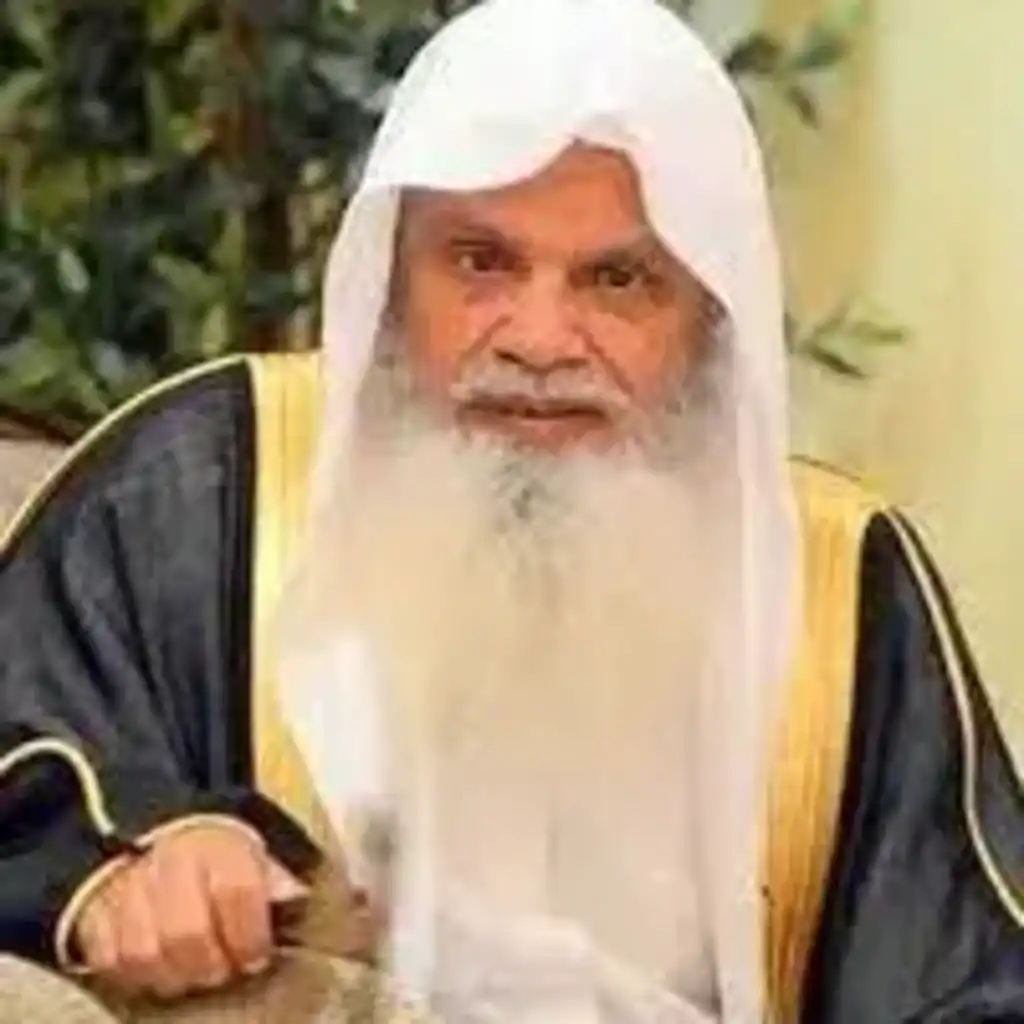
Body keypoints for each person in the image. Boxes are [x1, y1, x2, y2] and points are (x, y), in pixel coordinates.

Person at [0, 0, 1021, 1020]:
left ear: (709, 321)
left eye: (616, 279)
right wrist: (132, 857)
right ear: (393, 280)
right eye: (481, 262)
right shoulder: (204, 486)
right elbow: (28, 746)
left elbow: (968, 981)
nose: (538, 338)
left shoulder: (842, 581)